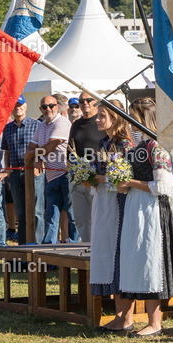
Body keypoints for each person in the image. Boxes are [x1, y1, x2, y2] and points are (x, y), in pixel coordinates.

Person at [113, 99, 173, 338]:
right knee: (140, 259)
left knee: (153, 262)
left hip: (153, 210)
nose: (130, 122)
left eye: (134, 116)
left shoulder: (157, 146)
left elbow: (162, 185)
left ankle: (155, 323)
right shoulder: (139, 146)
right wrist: (123, 185)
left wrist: (131, 182)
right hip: (137, 207)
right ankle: (138, 319)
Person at [87, 100, 135, 331]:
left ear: (115, 119)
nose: (97, 119)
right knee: (109, 254)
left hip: (120, 204)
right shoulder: (104, 142)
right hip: (105, 203)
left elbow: (127, 177)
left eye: (102, 115)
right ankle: (119, 315)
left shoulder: (126, 144)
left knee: (119, 255)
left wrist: (101, 178)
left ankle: (126, 317)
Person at [29, 94, 78, 244]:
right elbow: (31, 146)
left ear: (57, 107)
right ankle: (49, 246)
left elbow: (50, 146)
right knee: (51, 214)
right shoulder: (41, 125)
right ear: (40, 109)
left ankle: (76, 246)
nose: (48, 109)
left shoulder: (62, 122)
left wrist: (32, 155)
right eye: (44, 107)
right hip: (51, 176)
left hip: (66, 173)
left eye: (51, 106)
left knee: (72, 214)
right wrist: (36, 157)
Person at [3, 97, 42, 243]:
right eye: (15, 105)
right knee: (20, 211)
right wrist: (7, 169)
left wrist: (40, 164)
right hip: (15, 173)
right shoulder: (7, 128)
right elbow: (7, 152)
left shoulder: (36, 125)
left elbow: (43, 148)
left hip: (33, 172)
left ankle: (38, 244)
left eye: (20, 105)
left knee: (37, 211)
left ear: (25, 106)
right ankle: (23, 244)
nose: (17, 108)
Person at [68, 92, 104, 242]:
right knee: (81, 219)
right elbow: (70, 150)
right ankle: (87, 247)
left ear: (95, 101)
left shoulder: (102, 122)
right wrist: (74, 172)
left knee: (98, 218)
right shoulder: (76, 124)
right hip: (77, 178)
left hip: (97, 178)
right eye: (82, 101)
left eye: (89, 100)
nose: (85, 103)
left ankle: (99, 248)